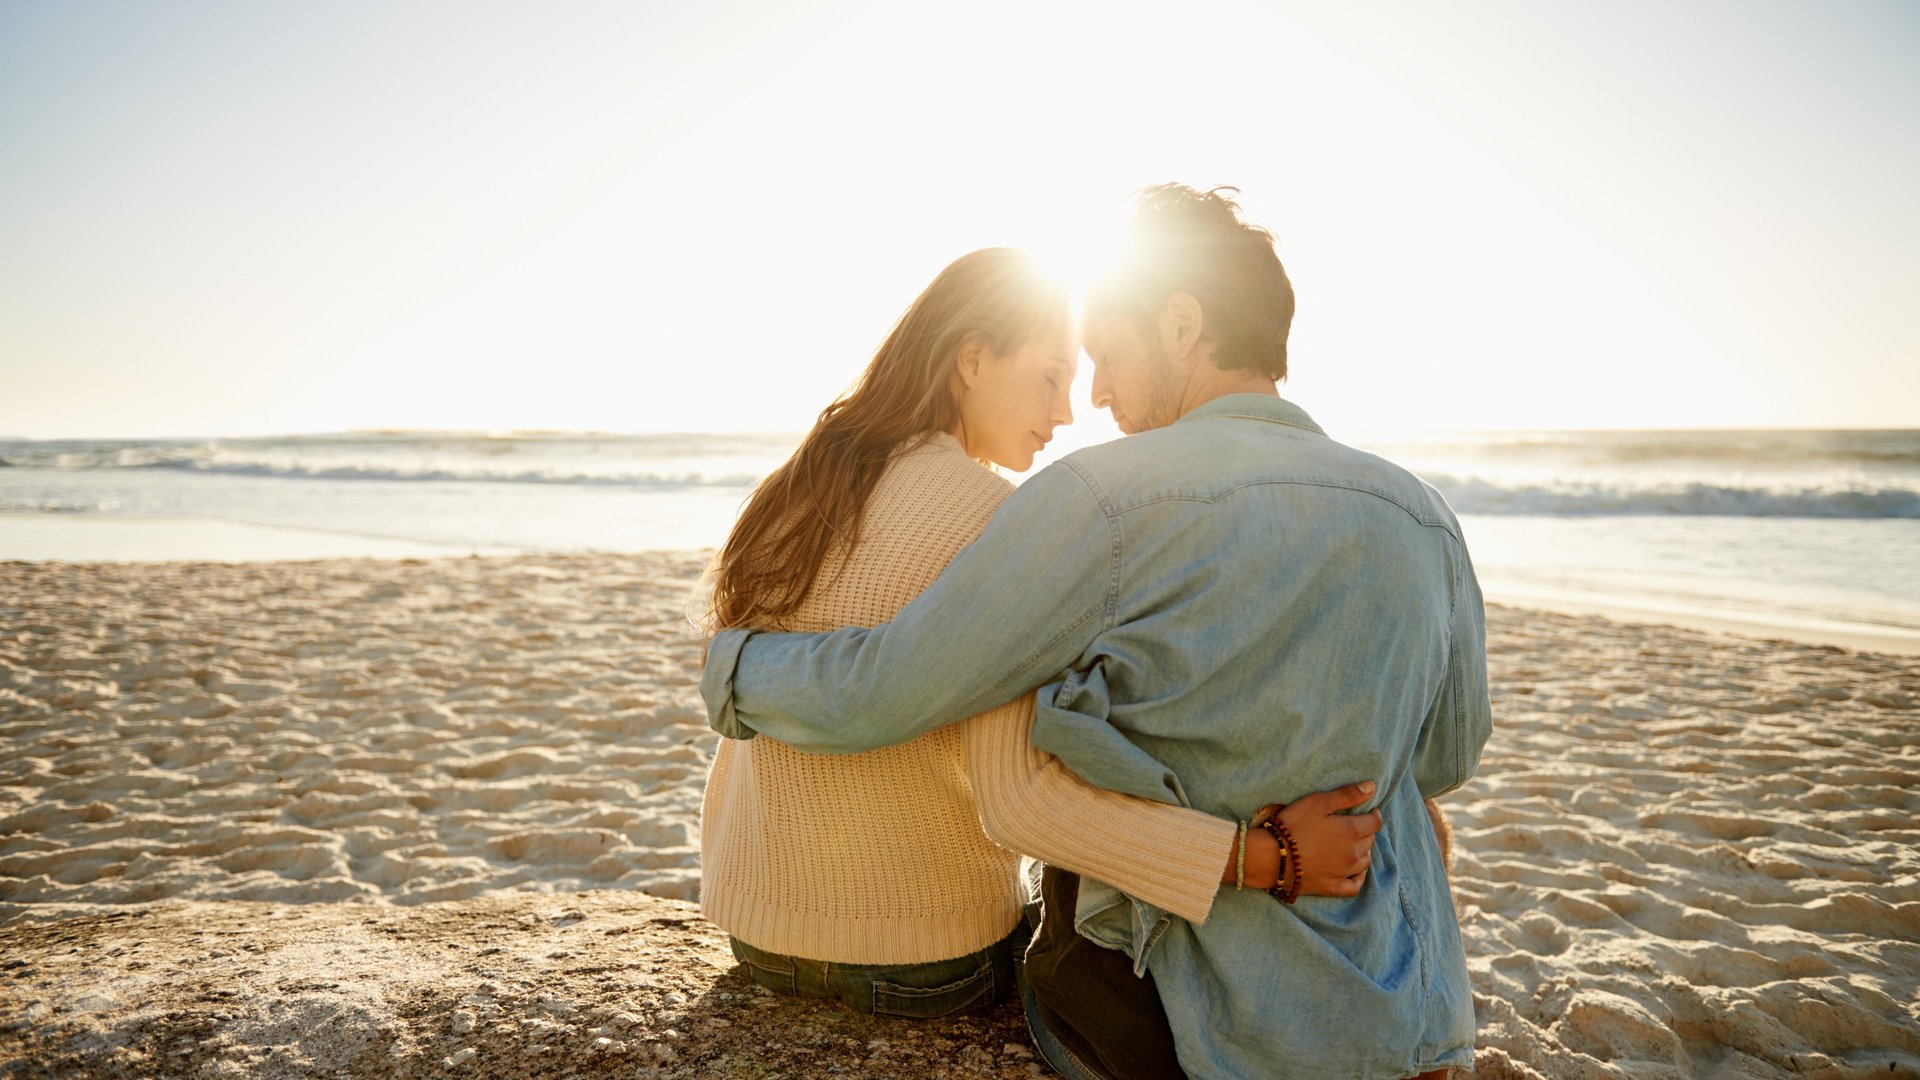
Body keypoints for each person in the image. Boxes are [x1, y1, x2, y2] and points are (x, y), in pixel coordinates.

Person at [702, 186, 1491, 1079]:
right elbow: (1447, 760)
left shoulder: (1098, 502)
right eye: (1067, 372)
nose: (1098, 395)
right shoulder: (1425, 516)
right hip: (1401, 1012)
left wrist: (733, 668)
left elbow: (891, 689)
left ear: (1182, 325)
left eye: (1106, 356)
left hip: (1162, 1020)